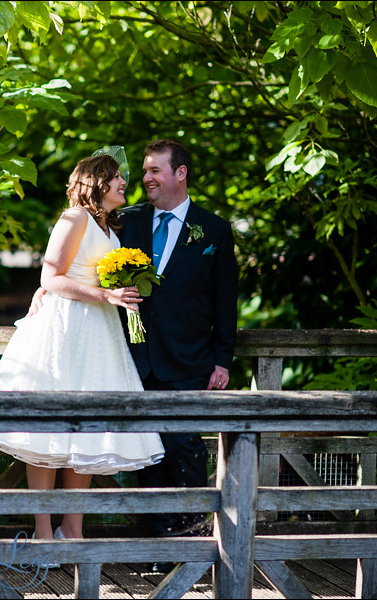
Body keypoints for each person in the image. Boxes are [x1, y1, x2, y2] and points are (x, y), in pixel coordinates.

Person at [0, 155, 164, 543]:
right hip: (64, 330)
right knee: (46, 430)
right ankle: (43, 532)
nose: (125, 183)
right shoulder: (73, 218)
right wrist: (104, 294)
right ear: (98, 182)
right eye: (118, 178)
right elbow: (50, 277)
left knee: (88, 427)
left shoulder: (109, 227)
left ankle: (71, 529)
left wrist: (116, 293)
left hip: (98, 333)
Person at [119, 138, 238, 571]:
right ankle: (156, 546)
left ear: (180, 173)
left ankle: (190, 540)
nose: (145, 178)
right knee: (146, 449)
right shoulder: (127, 222)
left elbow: (226, 300)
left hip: (191, 358)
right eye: (145, 171)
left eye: (154, 170)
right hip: (136, 356)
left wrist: (222, 359)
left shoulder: (214, 229)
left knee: (185, 446)